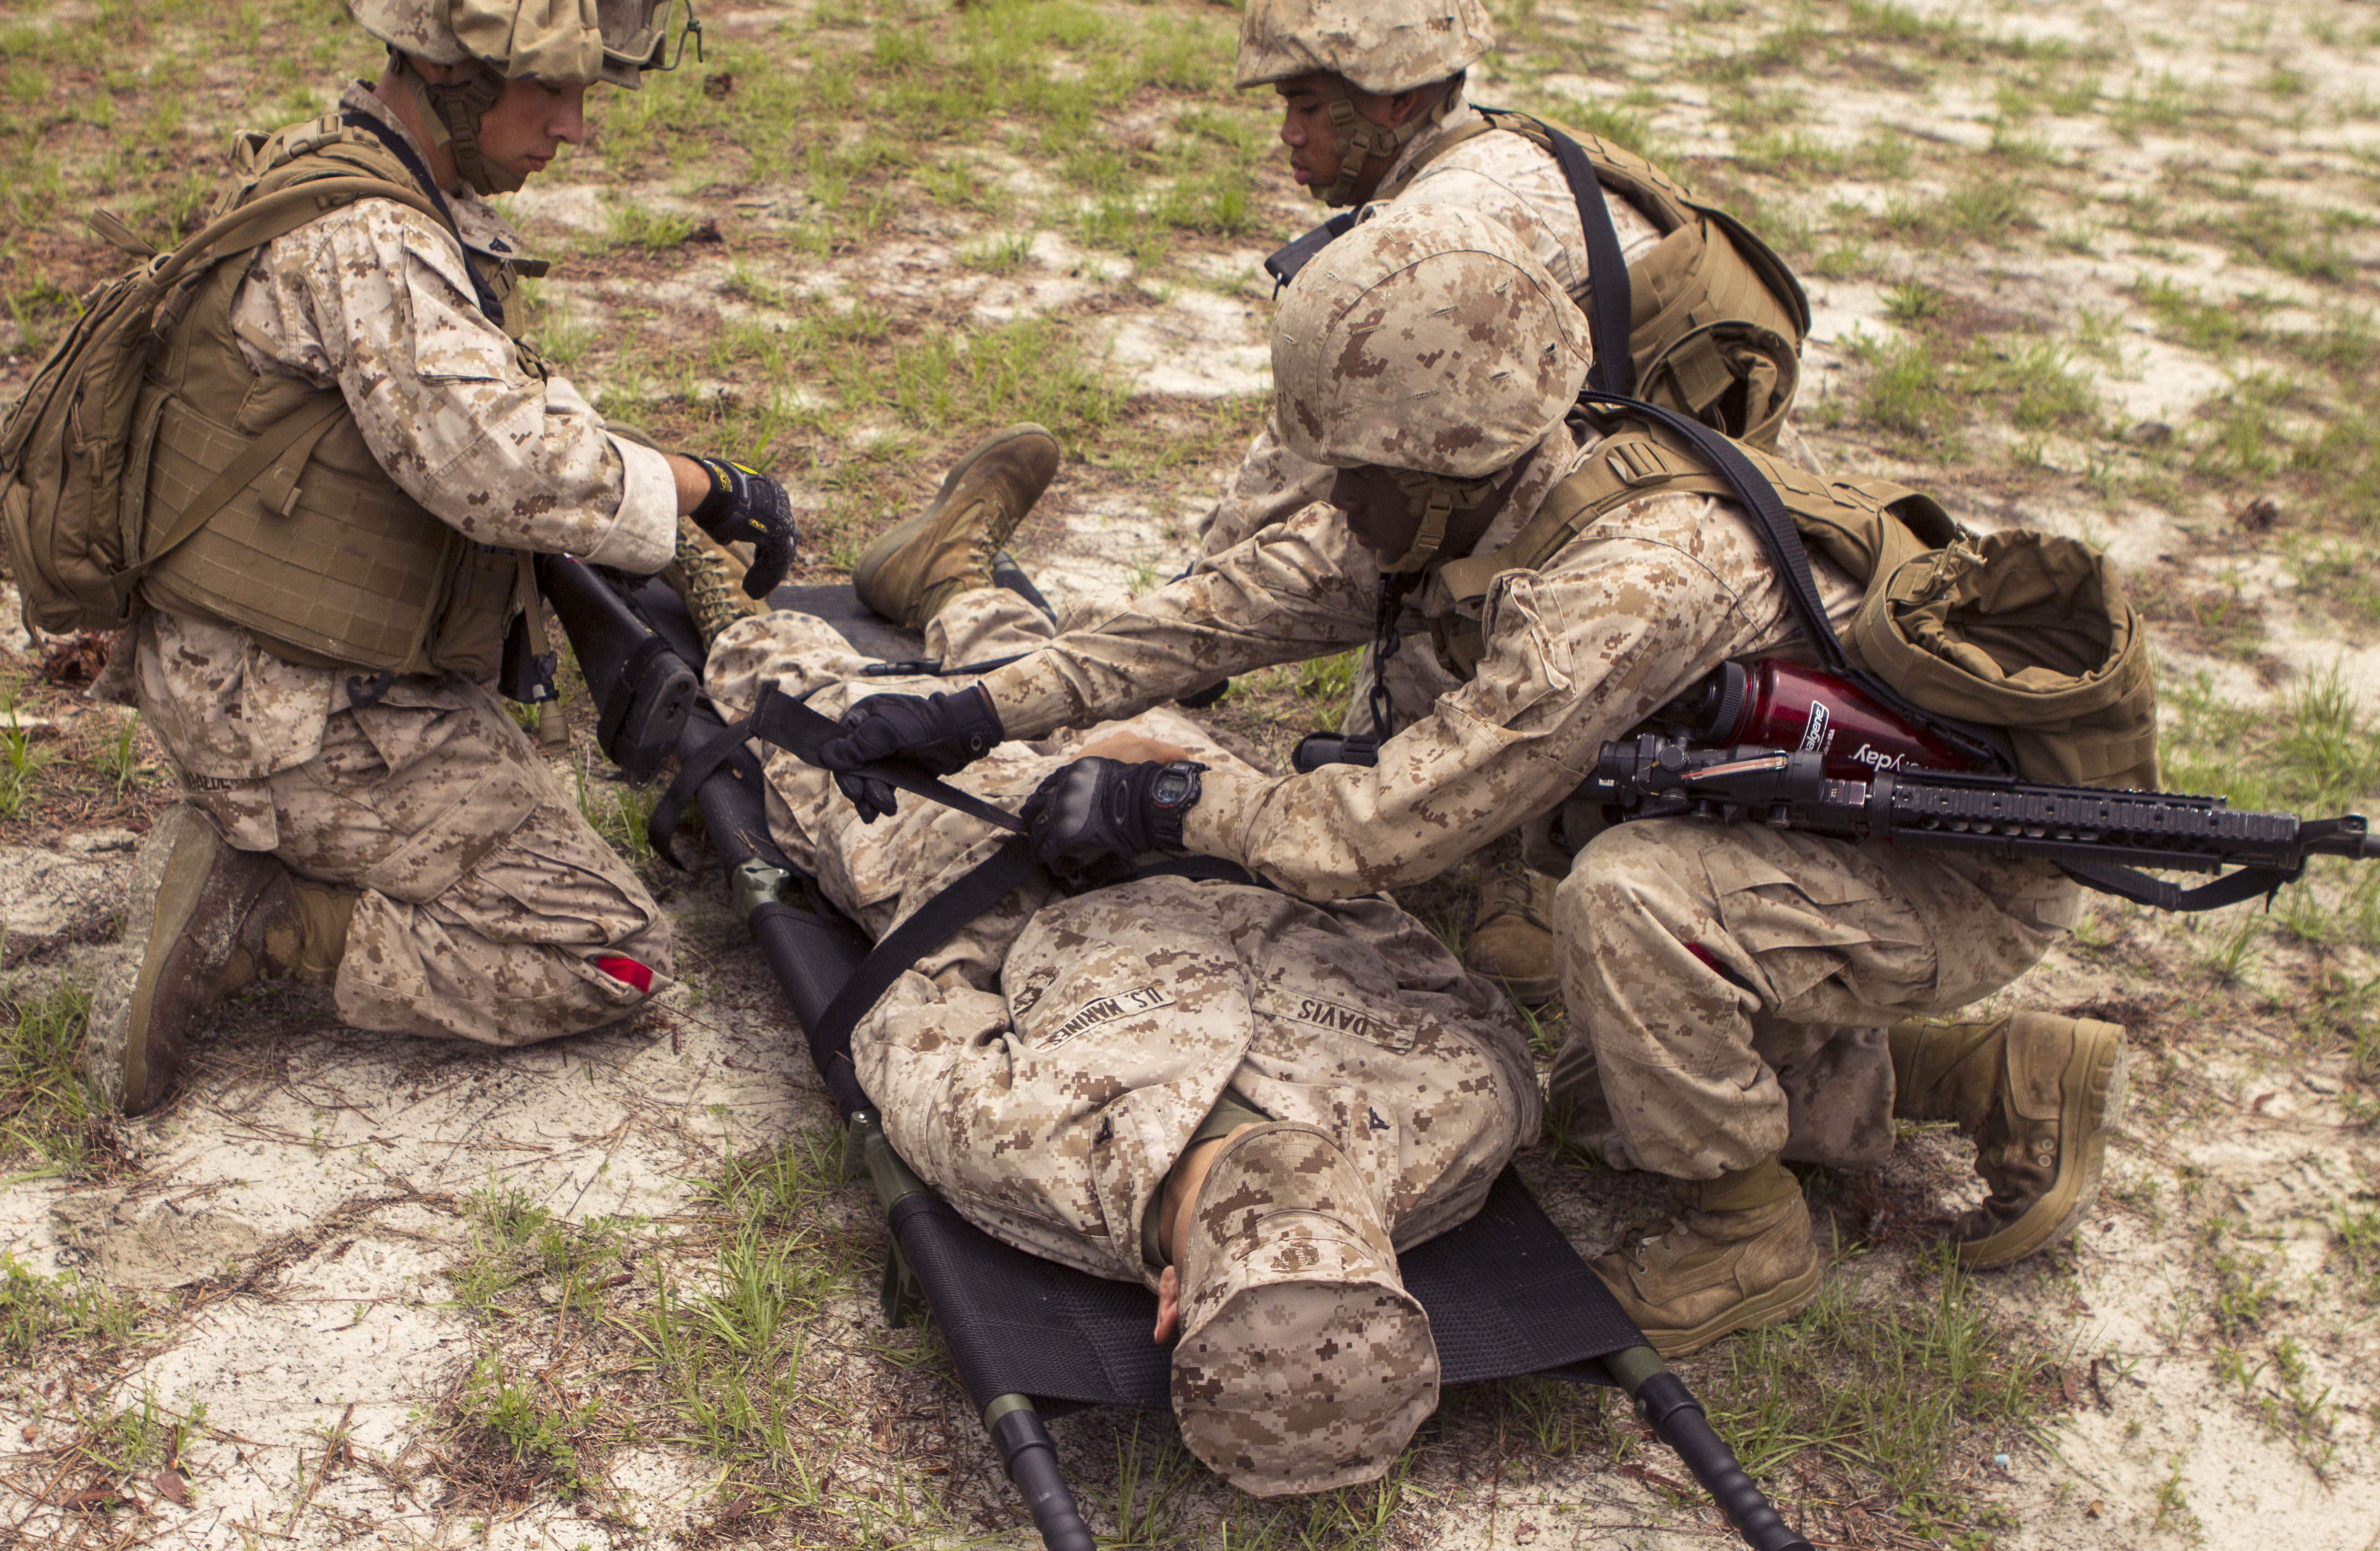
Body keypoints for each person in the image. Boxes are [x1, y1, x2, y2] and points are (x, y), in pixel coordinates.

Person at [819, 205, 2127, 1358]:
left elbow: (1377, 829)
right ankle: (1985, 1074)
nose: (1331, 494)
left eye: (1353, 471)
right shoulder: (1483, 493)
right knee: (1587, 1065)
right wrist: (978, 706)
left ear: (1441, 462)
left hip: (1943, 877)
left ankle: (1742, 1231)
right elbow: (1219, 613)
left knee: (1624, 909)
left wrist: (1164, 802)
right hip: (1818, 847)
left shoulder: (1622, 585)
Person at [663, 428, 1538, 1495]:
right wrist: (1183, 812)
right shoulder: (1462, 1113)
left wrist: (1021, 857)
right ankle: (951, 577)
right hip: (1197, 824)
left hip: (999, 866)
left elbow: (912, 990)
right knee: (1072, 698)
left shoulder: (1027, 1150)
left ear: (1161, 1303)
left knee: (814, 729)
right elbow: (1407, 944)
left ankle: (710, 583)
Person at [84, 0, 797, 1116]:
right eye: (553, 87)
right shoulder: (370, 238)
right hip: (295, 705)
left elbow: (483, 413)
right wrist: (696, 486)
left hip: (256, 665)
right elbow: (503, 465)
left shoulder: (342, 178)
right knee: (609, 956)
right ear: (456, 71)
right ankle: (269, 918)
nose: (574, 126)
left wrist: (669, 498)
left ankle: (278, 845)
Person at [1147, 0, 1812, 1006]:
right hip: (1677, 489)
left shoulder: (1452, 229)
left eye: (1309, 106)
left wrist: (1191, 639)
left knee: (1412, 557)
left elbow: (1309, 458)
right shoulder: (1499, 153)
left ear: (1399, 101)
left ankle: (1504, 859)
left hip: (1642, 550)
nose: (1286, 137)